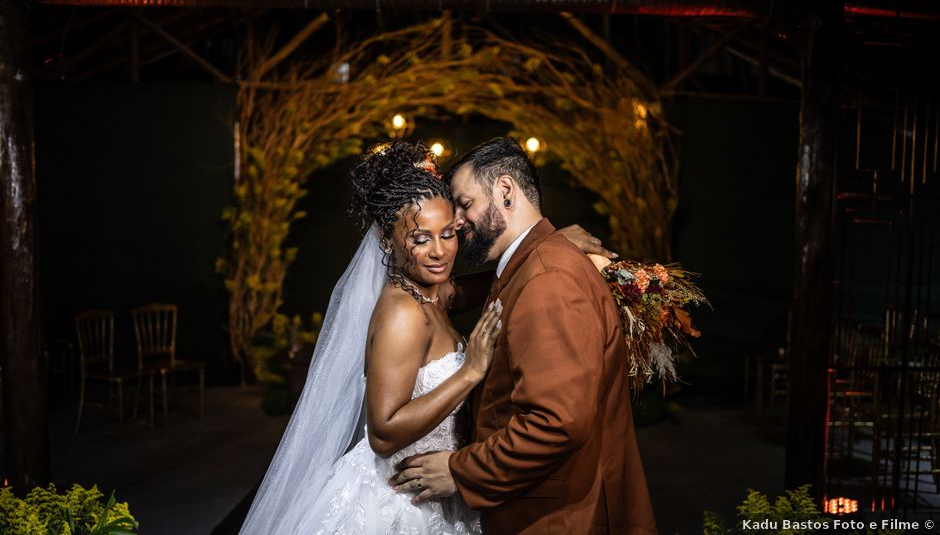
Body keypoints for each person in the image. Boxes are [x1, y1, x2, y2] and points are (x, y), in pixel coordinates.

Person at [239, 141, 609, 534]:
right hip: (402, 500)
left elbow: (493, 280)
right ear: (388, 241)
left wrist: (550, 244)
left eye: (448, 234)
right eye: (420, 239)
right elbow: (383, 432)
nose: (439, 252)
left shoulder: (434, 293)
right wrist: (469, 372)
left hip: (446, 490)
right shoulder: (402, 313)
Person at [390, 137, 659, 534]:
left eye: (465, 204)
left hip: (557, 519)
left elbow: (556, 422)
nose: (457, 221)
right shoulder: (534, 264)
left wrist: (460, 471)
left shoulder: (549, 281)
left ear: (504, 190)